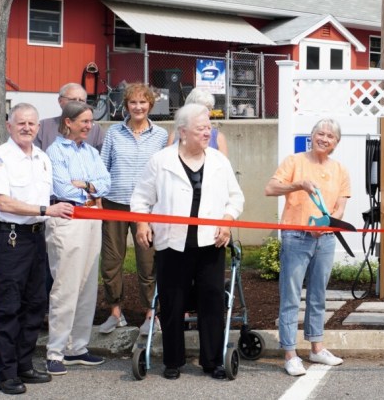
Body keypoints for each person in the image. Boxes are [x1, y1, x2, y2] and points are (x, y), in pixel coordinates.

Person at [132, 104, 244, 380]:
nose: (208, 133)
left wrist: (227, 219)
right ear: (182, 132)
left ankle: (212, 361)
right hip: (172, 243)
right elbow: (141, 197)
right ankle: (172, 361)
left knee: (212, 300)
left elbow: (236, 197)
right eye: (201, 129)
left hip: (211, 244)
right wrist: (142, 223)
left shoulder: (219, 160)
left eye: (208, 127)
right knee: (172, 301)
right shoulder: (161, 160)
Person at [0, 104, 74, 395]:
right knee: (8, 308)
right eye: (20, 123)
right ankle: (6, 374)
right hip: (11, 240)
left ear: (38, 127)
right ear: (9, 126)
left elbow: (46, 197)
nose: (26, 127)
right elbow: (5, 204)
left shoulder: (42, 158)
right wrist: (48, 209)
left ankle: (24, 365)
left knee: (34, 306)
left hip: (37, 238)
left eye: (32, 123)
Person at [265, 118, 351, 377]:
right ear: (312, 136)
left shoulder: (340, 170)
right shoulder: (294, 162)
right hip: (295, 236)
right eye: (320, 134)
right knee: (291, 295)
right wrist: (298, 184)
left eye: (330, 136)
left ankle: (316, 347)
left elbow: (340, 206)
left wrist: (325, 226)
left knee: (318, 295)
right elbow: (270, 188)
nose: (324, 139)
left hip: (325, 239)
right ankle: (290, 353)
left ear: (336, 142)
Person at [43, 101, 111, 375]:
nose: (89, 126)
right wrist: (90, 189)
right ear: (68, 122)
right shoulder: (54, 152)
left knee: (86, 284)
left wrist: (84, 185)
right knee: (66, 285)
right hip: (67, 219)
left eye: (91, 121)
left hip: (91, 218)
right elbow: (62, 187)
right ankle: (56, 351)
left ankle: (77, 348)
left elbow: (107, 181)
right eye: (84, 121)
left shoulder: (92, 152)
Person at [98, 82, 169, 334]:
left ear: (150, 104)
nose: (137, 107)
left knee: (147, 263)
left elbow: (164, 173)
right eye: (132, 102)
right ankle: (115, 312)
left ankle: (151, 314)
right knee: (111, 262)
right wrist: (97, 198)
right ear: (126, 105)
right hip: (114, 204)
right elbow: (102, 169)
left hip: (147, 209)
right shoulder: (114, 134)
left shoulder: (161, 136)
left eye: (142, 102)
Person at [35, 82, 104, 152]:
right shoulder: (44, 126)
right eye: (73, 100)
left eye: (81, 100)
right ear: (60, 101)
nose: (77, 103)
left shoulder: (94, 129)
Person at [167, 88, 229, 155]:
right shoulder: (175, 136)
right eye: (200, 108)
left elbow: (223, 163)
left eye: (209, 108)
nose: (207, 112)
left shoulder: (218, 138)